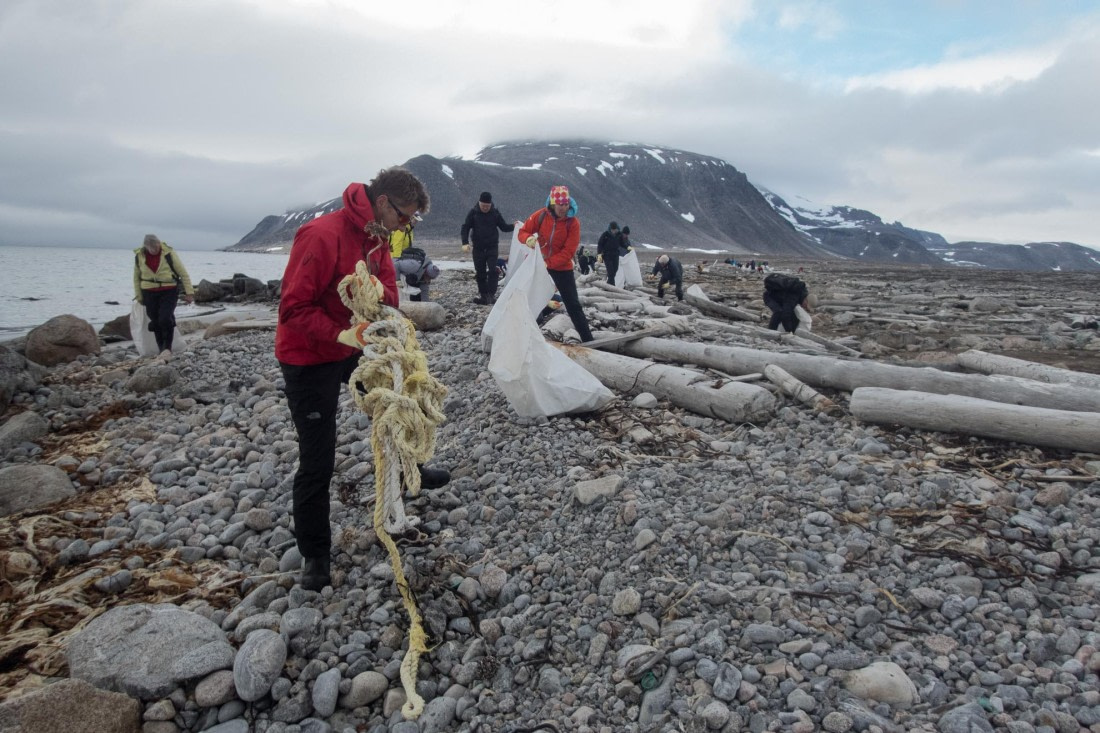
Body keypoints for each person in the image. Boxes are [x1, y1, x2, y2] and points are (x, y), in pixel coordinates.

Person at [275, 168, 450, 592]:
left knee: (400, 401)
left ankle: (411, 469)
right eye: (404, 216)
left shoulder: (377, 236)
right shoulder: (320, 235)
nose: (405, 226)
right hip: (308, 355)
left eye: (411, 220)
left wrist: (377, 304)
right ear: (383, 202)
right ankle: (315, 554)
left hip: (355, 342)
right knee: (318, 457)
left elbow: (387, 288)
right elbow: (292, 309)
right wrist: (342, 333)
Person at [517, 185, 594, 342]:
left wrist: (549, 263)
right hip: (540, 265)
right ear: (553, 203)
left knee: (573, 305)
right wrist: (528, 239)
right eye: (560, 204)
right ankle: (522, 334)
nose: (563, 208)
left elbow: (568, 252)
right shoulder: (541, 215)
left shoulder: (573, 223)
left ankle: (588, 340)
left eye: (565, 204)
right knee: (528, 298)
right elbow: (522, 231)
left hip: (562, 268)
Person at [133, 234, 194, 359]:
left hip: (169, 290)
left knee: (165, 318)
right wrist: (139, 295)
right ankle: (161, 348)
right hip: (148, 291)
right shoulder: (139, 256)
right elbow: (136, 278)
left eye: (157, 247)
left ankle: (167, 347)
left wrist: (189, 293)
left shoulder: (168, 254)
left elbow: (183, 273)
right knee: (155, 320)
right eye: (152, 249)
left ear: (159, 243)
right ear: (146, 247)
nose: (155, 250)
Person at [461, 191, 515, 305]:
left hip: (492, 247)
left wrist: (514, 226)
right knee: (480, 272)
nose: (485, 208)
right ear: (479, 203)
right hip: (478, 248)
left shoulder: (495, 213)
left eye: (487, 206)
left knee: (493, 270)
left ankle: (491, 294)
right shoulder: (473, 213)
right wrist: (465, 242)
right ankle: (484, 296)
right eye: (483, 206)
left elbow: (504, 227)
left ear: (490, 205)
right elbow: (465, 227)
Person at [391, 222, 439, 301]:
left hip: (411, 277)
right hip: (399, 272)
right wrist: (397, 280)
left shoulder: (425, 277)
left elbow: (424, 292)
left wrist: (427, 305)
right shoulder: (415, 265)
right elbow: (396, 265)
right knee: (401, 297)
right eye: (429, 278)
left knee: (415, 294)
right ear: (426, 273)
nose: (429, 281)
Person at [596, 221, 623, 286]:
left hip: (615, 254)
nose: (614, 231)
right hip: (607, 255)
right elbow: (600, 244)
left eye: (615, 230)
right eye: (612, 230)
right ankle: (612, 286)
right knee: (610, 272)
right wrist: (599, 254)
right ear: (610, 229)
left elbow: (622, 243)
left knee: (615, 269)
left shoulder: (619, 234)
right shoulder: (605, 235)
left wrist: (628, 247)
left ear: (617, 228)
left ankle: (608, 284)